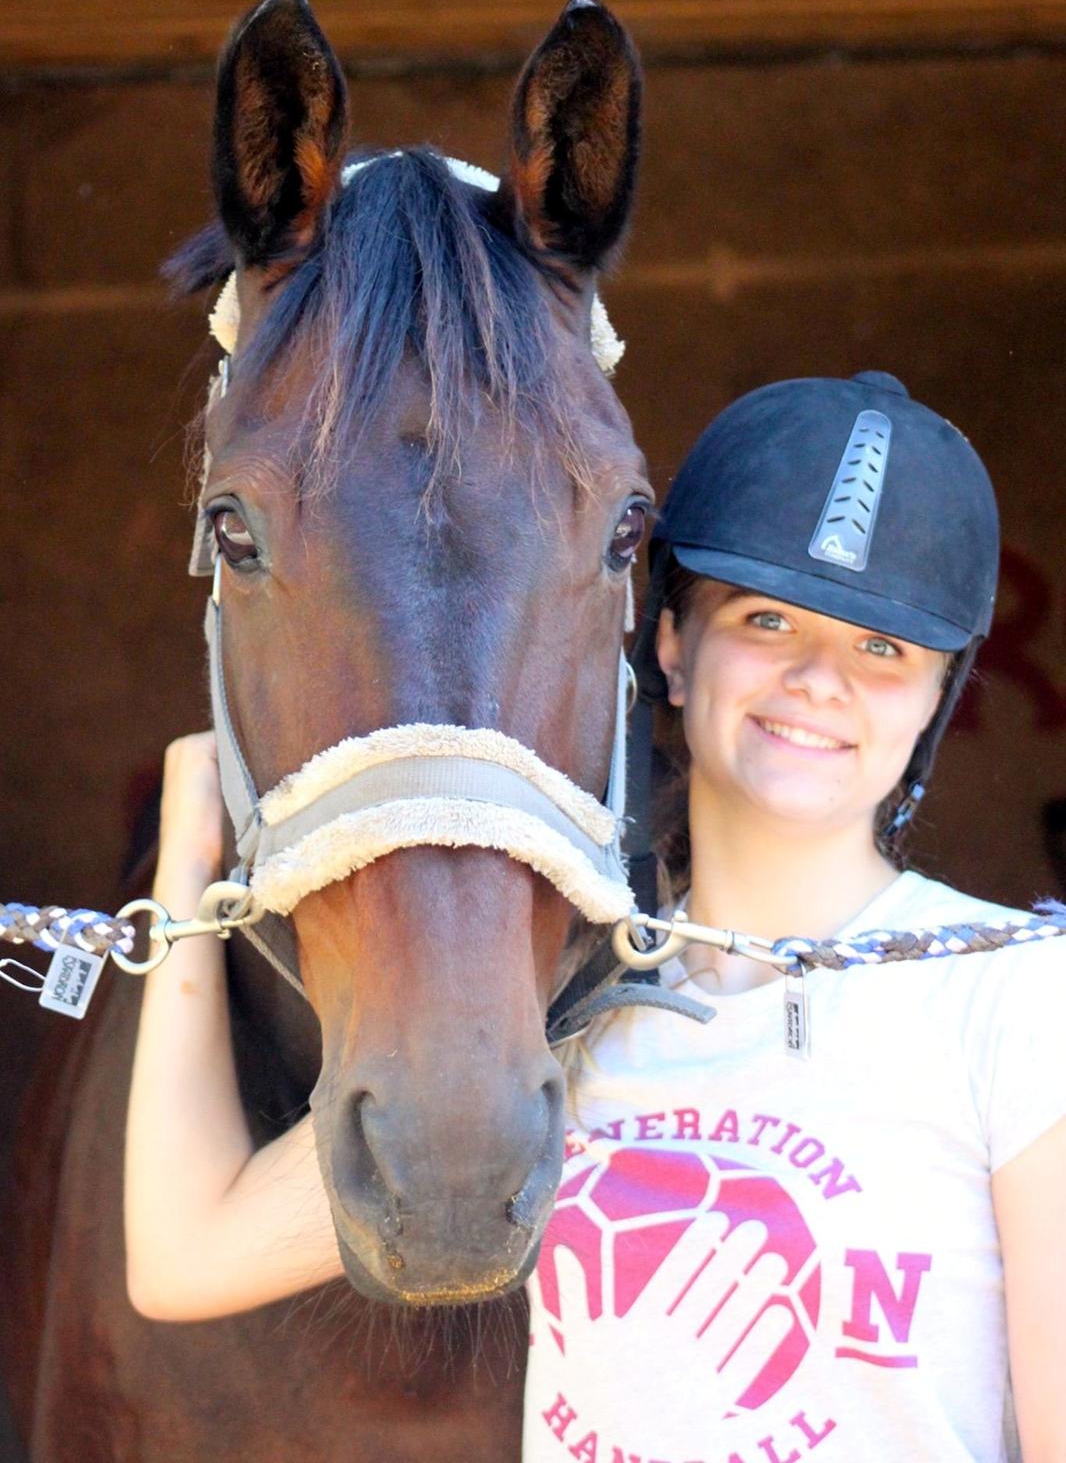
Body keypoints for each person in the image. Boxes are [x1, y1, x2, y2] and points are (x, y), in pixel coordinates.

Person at [125, 371, 1066, 1462]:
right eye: (767, 620)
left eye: (882, 650)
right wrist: (189, 864)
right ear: (669, 641)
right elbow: (183, 1254)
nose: (819, 680)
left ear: (935, 698)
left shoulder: (1021, 997)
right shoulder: (565, 1003)